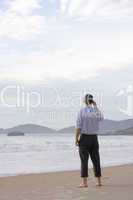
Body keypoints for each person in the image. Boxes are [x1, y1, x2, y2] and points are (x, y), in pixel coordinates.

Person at [75, 94, 104, 187]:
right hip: (94, 138)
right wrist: (95, 106)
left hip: (84, 138)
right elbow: (101, 118)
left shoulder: (82, 111)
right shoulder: (96, 111)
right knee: (96, 160)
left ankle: (84, 183)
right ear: (92, 101)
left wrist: (76, 138)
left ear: (85, 100)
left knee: (84, 161)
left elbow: (78, 126)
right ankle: (99, 182)